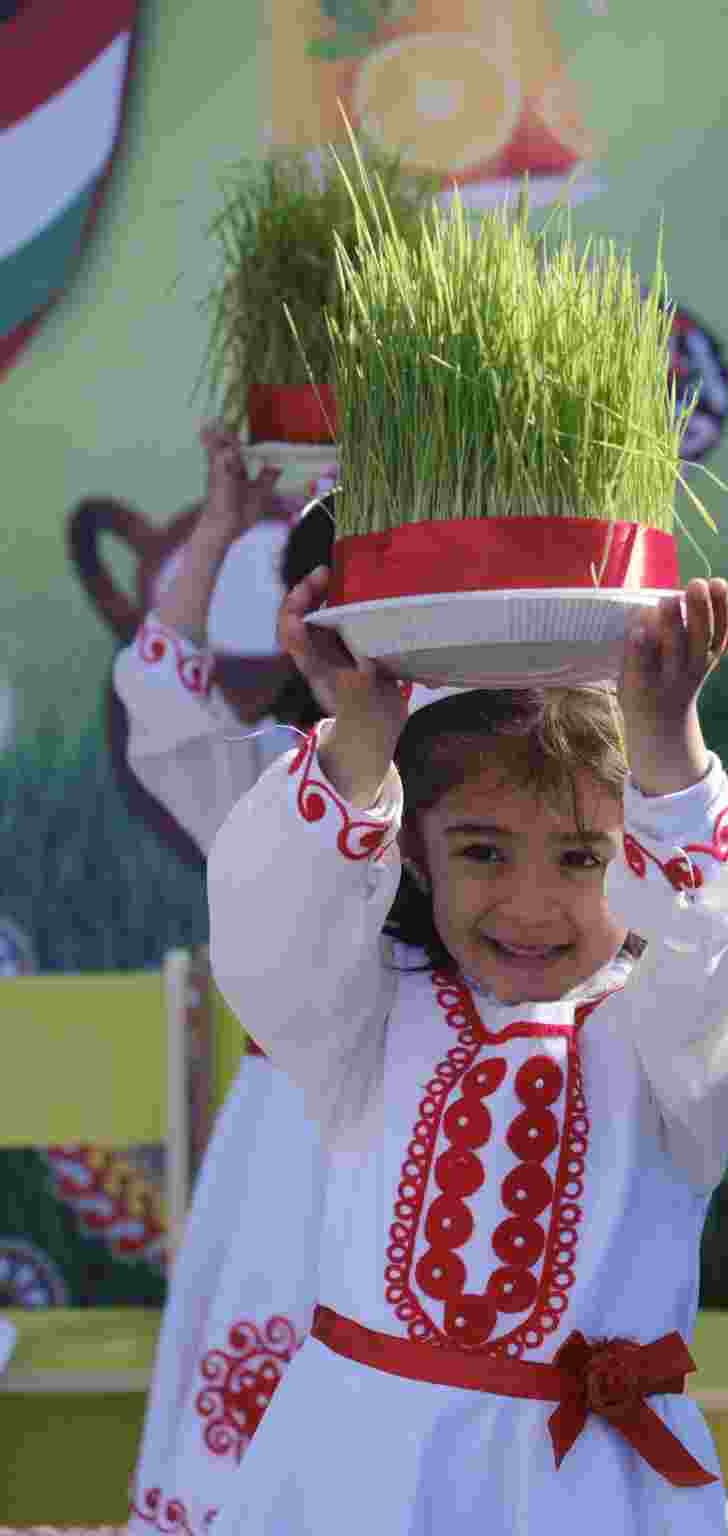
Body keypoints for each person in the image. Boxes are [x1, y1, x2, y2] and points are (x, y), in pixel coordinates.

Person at [205, 563, 728, 1534]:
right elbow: (272, 927)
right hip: (354, 1482)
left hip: (583, 1494)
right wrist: (358, 734)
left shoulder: (665, 1049)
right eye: (482, 850)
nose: (528, 905)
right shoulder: (365, 1017)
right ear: (412, 850)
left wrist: (667, 745)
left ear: (636, 856)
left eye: (579, 857)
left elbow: (724, 948)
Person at [112, 424, 336, 1534]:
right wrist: (217, 526)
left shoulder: (494, 788)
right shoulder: (263, 779)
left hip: (452, 1148)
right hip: (286, 1161)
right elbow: (158, 686)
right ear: (298, 627)